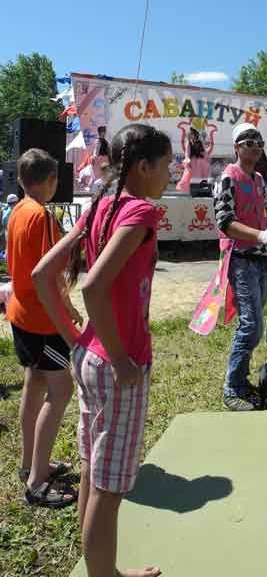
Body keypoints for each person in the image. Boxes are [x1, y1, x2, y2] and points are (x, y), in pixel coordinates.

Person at [32, 123, 171, 577]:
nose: (171, 174)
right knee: (109, 491)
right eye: (166, 165)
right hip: (117, 366)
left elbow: (42, 275)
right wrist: (121, 358)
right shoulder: (139, 212)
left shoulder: (101, 206)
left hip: (89, 358)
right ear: (144, 167)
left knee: (94, 474)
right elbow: (92, 287)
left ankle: (103, 571)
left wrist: (77, 340)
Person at [6, 149, 81, 508]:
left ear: (21, 180)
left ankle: (30, 464)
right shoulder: (43, 217)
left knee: (34, 384)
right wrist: (68, 308)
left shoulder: (17, 211)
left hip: (20, 315)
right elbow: (50, 274)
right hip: (42, 321)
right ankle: (37, 483)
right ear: (51, 180)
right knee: (61, 390)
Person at [214, 122, 267, 411]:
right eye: (249, 142)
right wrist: (259, 235)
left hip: (260, 257)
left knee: (255, 326)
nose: (255, 147)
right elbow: (224, 221)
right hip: (241, 258)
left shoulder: (259, 179)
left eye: (259, 143)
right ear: (237, 147)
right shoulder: (228, 178)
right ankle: (232, 387)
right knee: (250, 325)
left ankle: (241, 380)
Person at [176, 126, 211, 195]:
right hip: (192, 161)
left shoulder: (200, 142)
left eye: (192, 134)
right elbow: (187, 152)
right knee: (190, 175)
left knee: (202, 174)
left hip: (200, 162)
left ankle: (200, 189)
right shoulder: (188, 142)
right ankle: (191, 189)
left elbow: (204, 151)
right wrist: (187, 160)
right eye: (190, 134)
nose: (191, 135)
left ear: (195, 135)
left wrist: (206, 157)